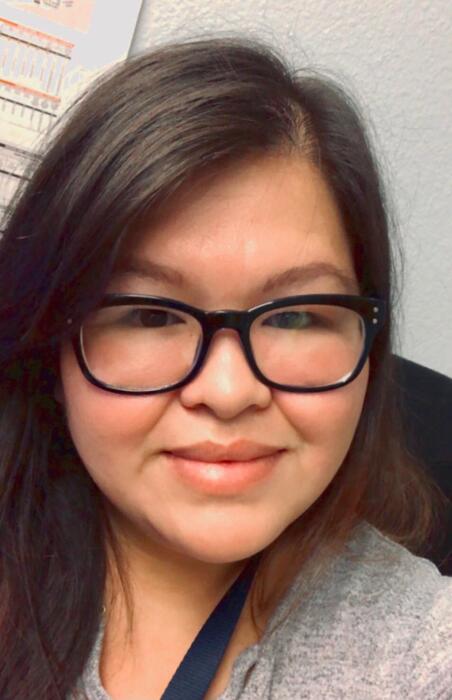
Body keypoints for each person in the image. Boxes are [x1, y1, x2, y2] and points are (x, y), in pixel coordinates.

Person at [0, 36, 450, 700]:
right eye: (150, 315)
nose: (230, 391)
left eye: (296, 317)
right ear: (50, 342)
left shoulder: (419, 652)